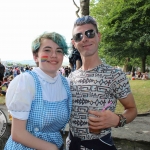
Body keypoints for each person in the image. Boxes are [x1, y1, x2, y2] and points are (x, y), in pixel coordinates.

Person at [66, 15, 137, 150]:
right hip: (72, 144)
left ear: (99, 36)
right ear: (74, 43)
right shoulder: (71, 77)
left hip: (100, 145)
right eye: (78, 36)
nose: (85, 38)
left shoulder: (115, 75)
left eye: (90, 33)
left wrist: (117, 120)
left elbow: (132, 109)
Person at [4, 32, 72, 150]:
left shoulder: (66, 83)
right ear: (36, 56)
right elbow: (18, 134)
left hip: (56, 144)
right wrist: (52, 148)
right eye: (47, 50)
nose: (54, 55)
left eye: (59, 51)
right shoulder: (26, 81)